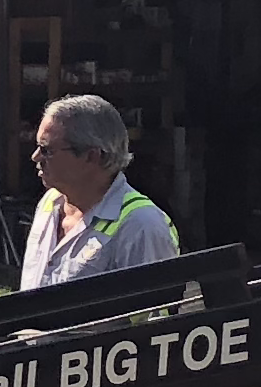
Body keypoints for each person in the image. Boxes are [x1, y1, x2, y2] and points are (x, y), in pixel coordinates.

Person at [21, 93, 178, 289]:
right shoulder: (50, 203)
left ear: (91, 156)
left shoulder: (142, 225)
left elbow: (153, 314)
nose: (35, 157)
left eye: (47, 150)